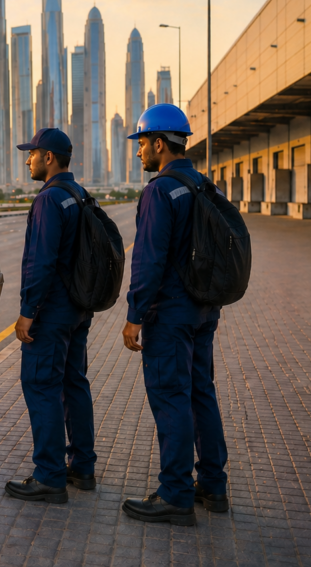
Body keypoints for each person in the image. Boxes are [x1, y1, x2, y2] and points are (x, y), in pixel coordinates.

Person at [120, 104, 229, 525]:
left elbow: (148, 261)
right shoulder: (204, 185)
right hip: (204, 310)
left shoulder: (160, 191)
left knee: (171, 399)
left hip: (171, 315)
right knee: (201, 392)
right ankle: (213, 486)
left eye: (143, 143)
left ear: (160, 144)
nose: (139, 152)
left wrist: (135, 315)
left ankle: (177, 495)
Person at [4, 128, 97, 505]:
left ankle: (49, 476)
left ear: (49, 158)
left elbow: (40, 263)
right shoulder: (79, 194)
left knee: (42, 387)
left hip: (51, 312)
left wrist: (28, 313)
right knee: (74, 384)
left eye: (32, 153)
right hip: (77, 308)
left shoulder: (48, 200)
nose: (27, 159)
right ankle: (82, 466)